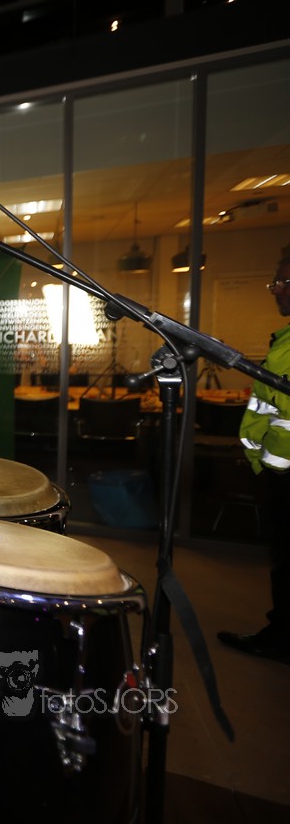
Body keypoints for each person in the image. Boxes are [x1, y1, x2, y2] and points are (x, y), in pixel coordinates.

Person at [219, 253, 290, 664]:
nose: (276, 290)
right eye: (274, 282)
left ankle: (281, 639)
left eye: (284, 282)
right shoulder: (285, 338)